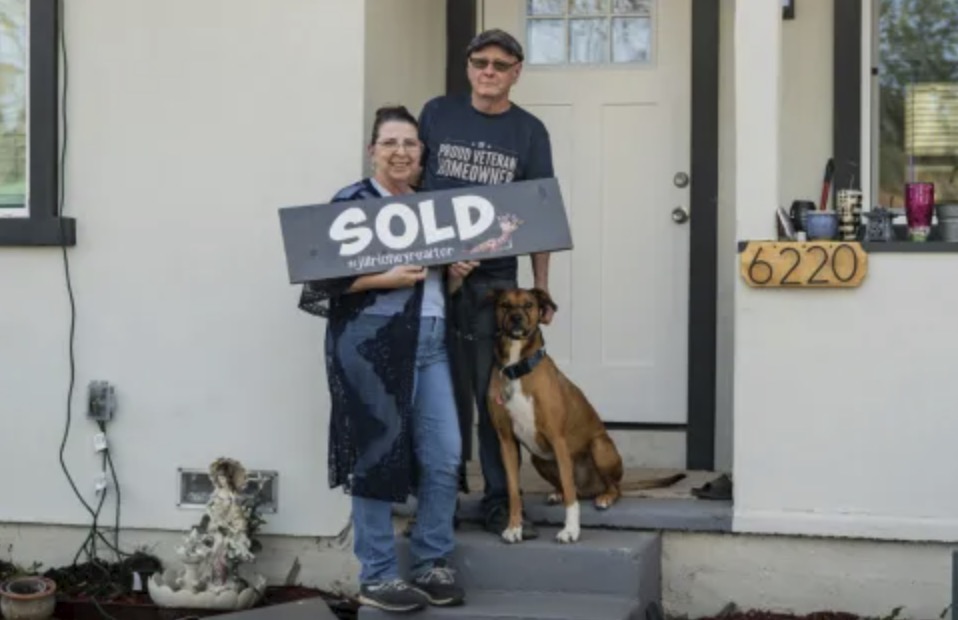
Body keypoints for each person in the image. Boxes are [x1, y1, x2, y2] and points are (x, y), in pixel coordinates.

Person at [298, 105, 478, 613]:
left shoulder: (430, 208)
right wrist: (385, 278)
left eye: (410, 144)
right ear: (372, 151)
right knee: (376, 455)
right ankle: (377, 575)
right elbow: (320, 279)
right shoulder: (353, 203)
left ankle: (431, 562)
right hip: (373, 345)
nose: (401, 152)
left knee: (444, 455)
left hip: (431, 345)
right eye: (390, 143)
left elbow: (435, 290)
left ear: (422, 154)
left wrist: (455, 276)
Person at [417, 28, 556, 540]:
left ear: (516, 72)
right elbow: (412, 186)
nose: (489, 72)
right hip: (431, 275)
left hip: (494, 283)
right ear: (469, 67)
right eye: (480, 63)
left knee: (491, 394)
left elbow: (541, 214)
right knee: (436, 392)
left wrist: (540, 291)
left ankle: (500, 502)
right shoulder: (437, 113)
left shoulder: (529, 132)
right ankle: (440, 501)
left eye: (500, 64)